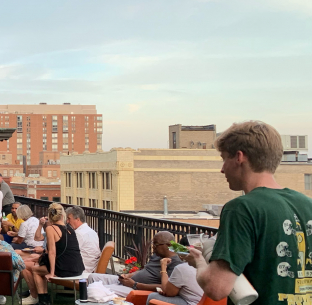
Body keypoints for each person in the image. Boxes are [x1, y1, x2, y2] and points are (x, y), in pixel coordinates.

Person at [188, 121, 312, 305]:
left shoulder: (241, 209)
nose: (222, 169)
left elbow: (217, 288)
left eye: (224, 159)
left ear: (239, 157)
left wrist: (199, 261)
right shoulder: (307, 204)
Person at [88, 231, 184, 297]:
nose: (153, 248)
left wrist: (135, 284)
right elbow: (144, 270)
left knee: (97, 290)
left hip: (138, 289)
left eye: (156, 245)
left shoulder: (176, 264)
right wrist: (128, 275)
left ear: (168, 245)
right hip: (128, 282)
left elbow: (165, 288)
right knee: (92, 277)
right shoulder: (157, 255)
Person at [28, 203, 85, 305]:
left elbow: (52, 252)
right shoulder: (70, 228)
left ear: (50, 215)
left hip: (64, 268)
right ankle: (44, 300)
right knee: (41, 267)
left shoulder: (51, 229)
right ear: (63, 215)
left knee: (35, 270)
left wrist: (52, 272)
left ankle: (43, 301)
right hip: (78, 268)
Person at [65, 206, 101, 273]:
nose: (67, 221)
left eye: (69, 219)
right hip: (91, 267)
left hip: (82, 270)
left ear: (77, 219)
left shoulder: (79, 234)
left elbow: (68, 252)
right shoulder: (92, 231)